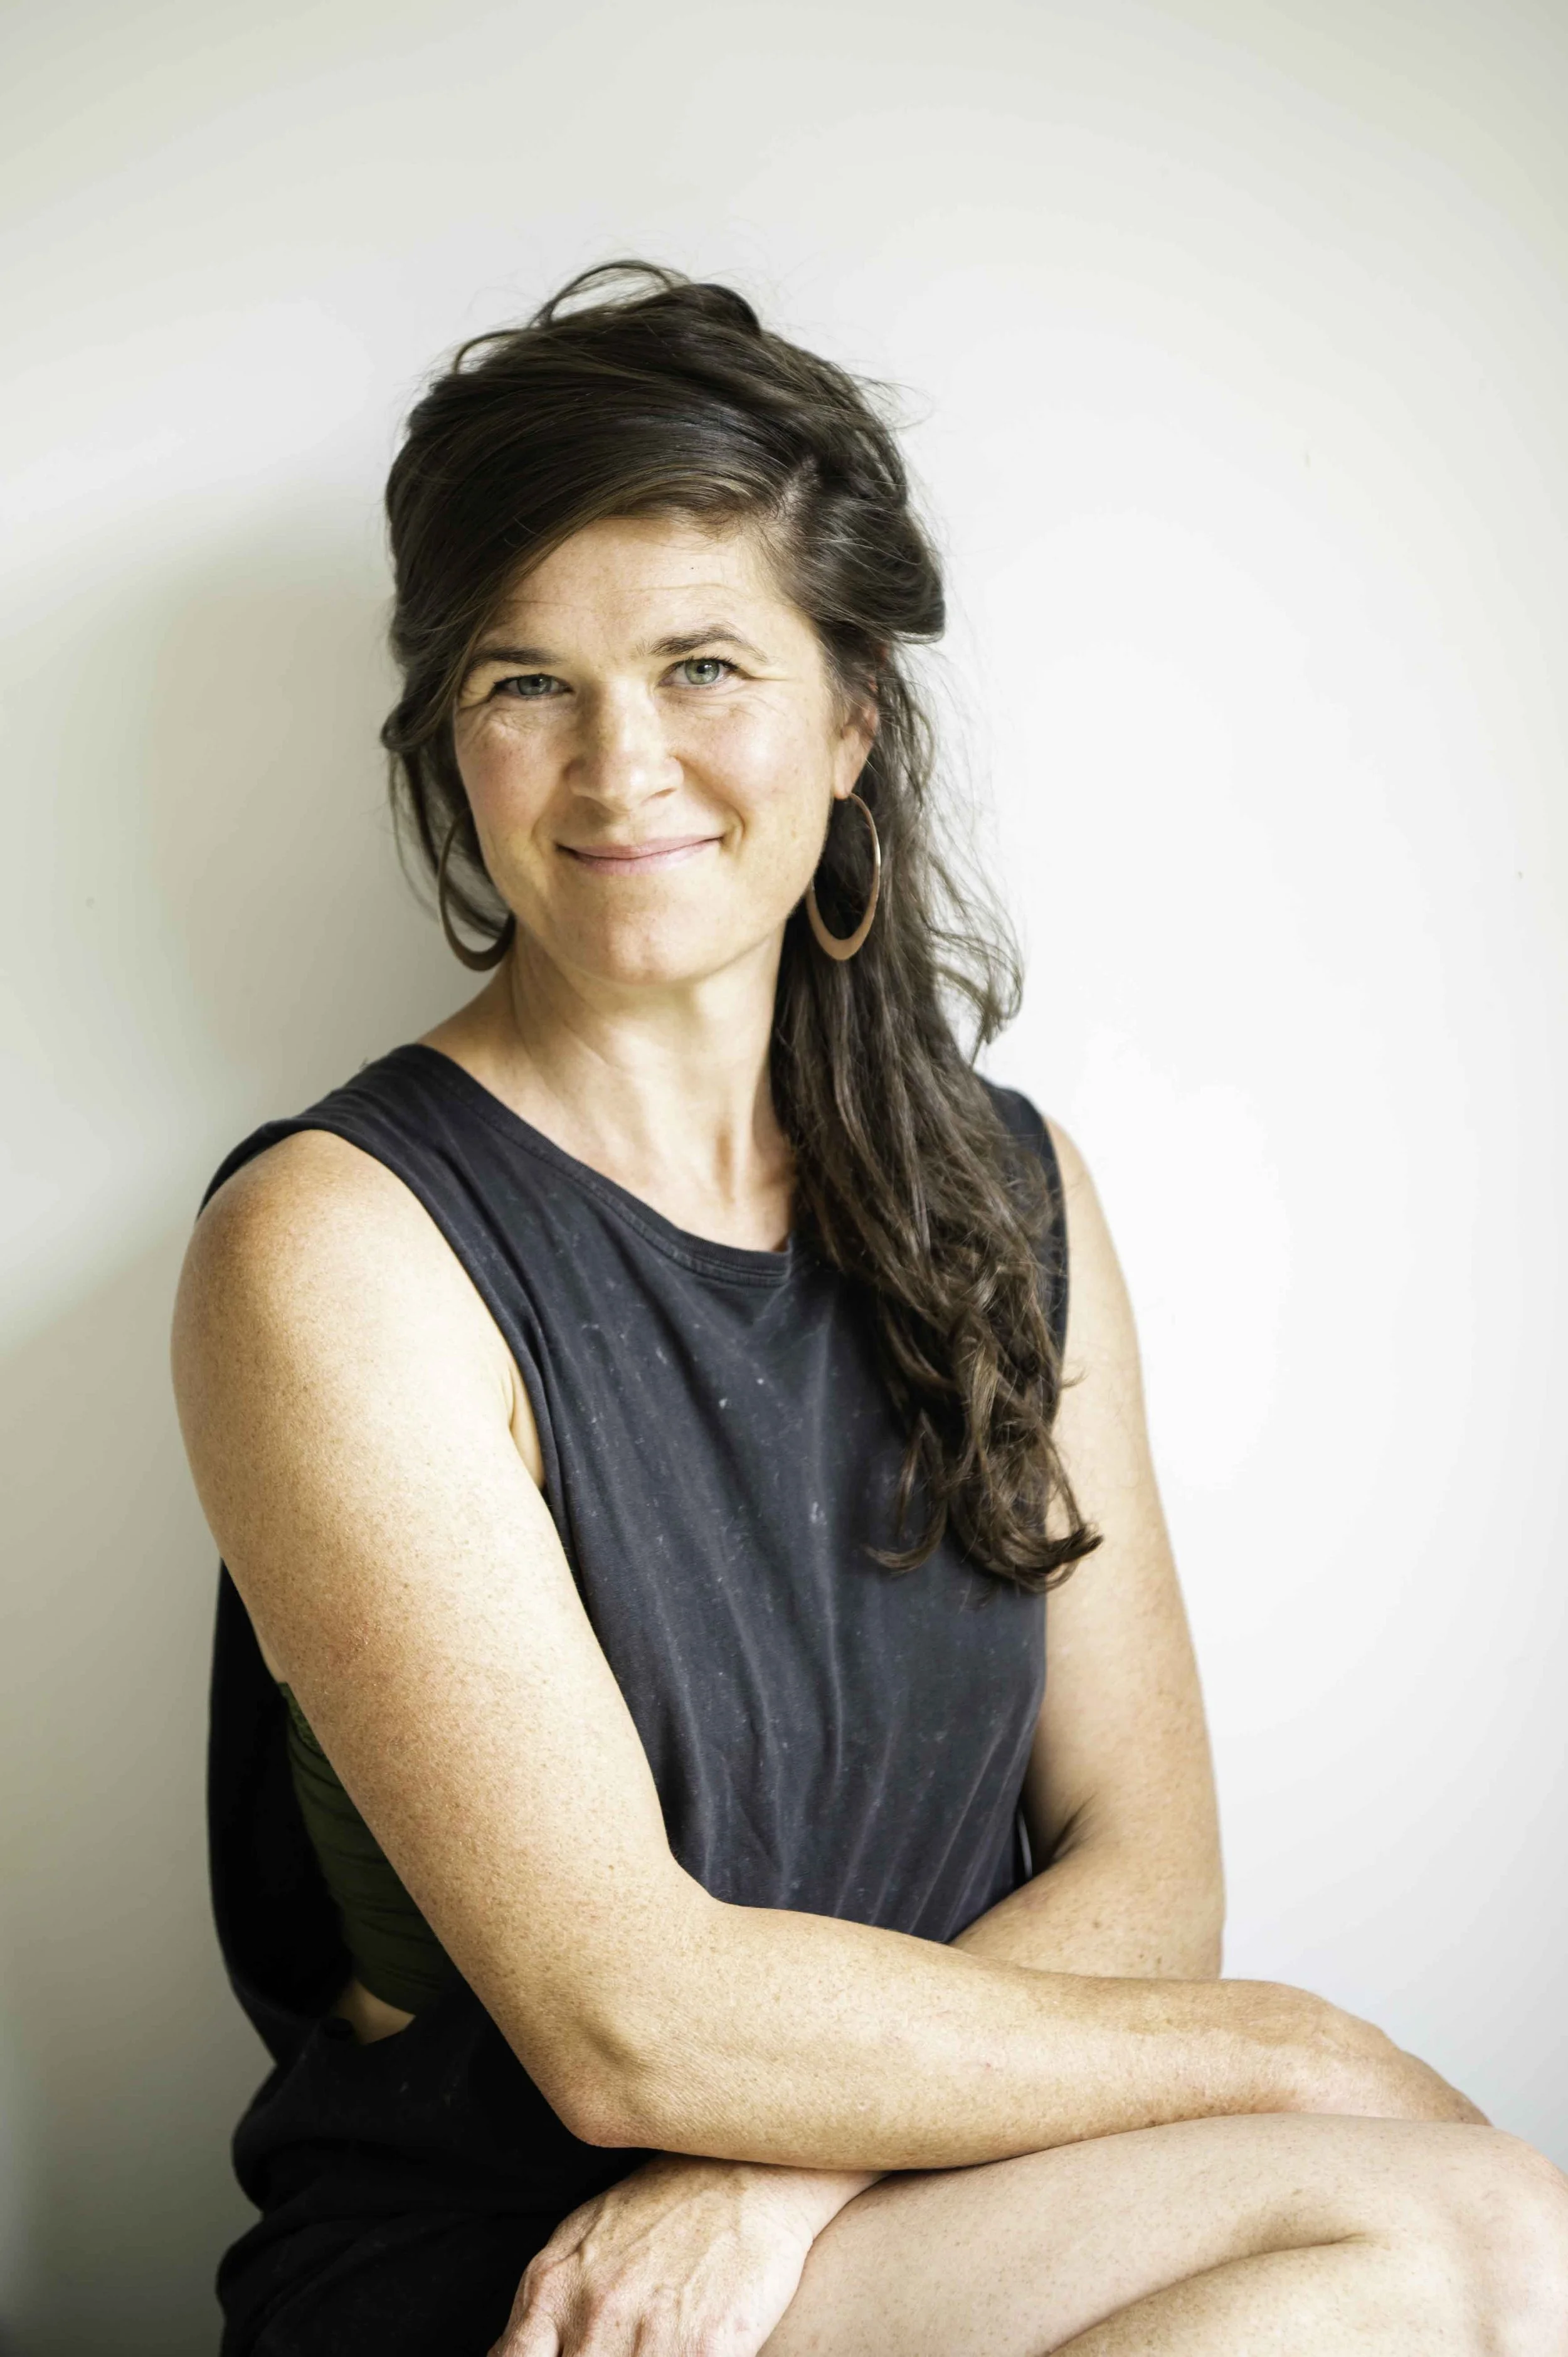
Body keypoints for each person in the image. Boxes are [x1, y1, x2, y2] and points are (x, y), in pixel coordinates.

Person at [171, 262, 1567, 2357]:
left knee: (1480, 2245)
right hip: (526, 2272)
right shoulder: (336, 1244)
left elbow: (1143, 1867)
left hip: (846, 2222)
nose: (615, 762)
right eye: (523, 679)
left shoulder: (1010, 1193)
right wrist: (1281, 2049)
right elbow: (623, 2021)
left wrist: (789, 2163)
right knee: (1466, 2247)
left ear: (851, 719)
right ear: (449, 739)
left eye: (701, 662)